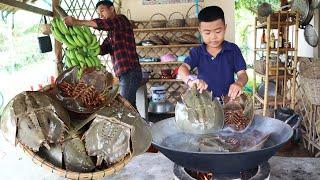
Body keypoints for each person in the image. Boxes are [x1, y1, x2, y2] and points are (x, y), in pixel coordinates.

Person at [64, 0, 142, 108]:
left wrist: (77, 22)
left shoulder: (121, 20)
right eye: (99, 14)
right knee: (130, 105)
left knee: (125, 107)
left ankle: (139, 124)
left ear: (111, 9)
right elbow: (103, 49)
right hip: (124, 74)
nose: (101, 15)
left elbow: (104, 24)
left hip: (130, 72)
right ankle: (141, 124)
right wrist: (85, 47)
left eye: (102, 11)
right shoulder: (112, 33)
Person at [178, 6, 248, 101]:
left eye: (218, 31)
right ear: (200, 31)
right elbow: (183, 68)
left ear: (225, 28)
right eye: (207, 33)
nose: (213, 37)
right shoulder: (197, 52)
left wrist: (239, 83)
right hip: (204, 103)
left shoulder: (233, 49)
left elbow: (242, 74)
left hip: (228, 102)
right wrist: (190, 81)